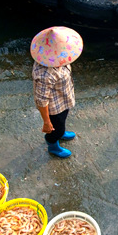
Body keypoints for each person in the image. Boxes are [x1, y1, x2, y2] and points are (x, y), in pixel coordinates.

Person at [31, 26, 82, 158]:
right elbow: (41, 100)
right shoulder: (44, 75)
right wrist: (47, 122)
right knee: (55, 128)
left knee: (62, 120)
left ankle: (61, 131)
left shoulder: (59, 60)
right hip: (55, 107)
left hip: (63, 99)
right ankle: (53, 143)